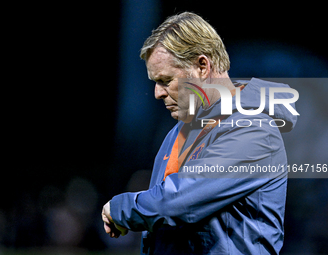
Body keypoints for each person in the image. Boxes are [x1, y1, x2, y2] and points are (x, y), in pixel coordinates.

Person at [102, 12, 298, 255]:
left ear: (202, 66)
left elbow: (178, 203)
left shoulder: (254, 130)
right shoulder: (180, 131)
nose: (157, 93)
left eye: (165, 80)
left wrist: (122, 209)